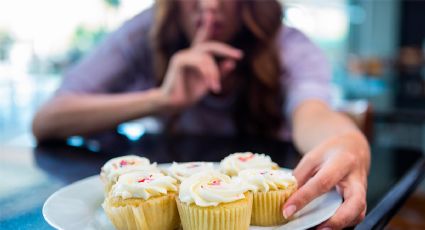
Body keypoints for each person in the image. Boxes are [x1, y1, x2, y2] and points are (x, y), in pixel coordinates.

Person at [32, 0, 370, 229]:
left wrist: (348, 141)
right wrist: (159, 99)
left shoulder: (289, 46)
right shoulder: (145, 33)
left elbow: (311, 113)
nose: (210, 4)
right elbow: (48, 119)